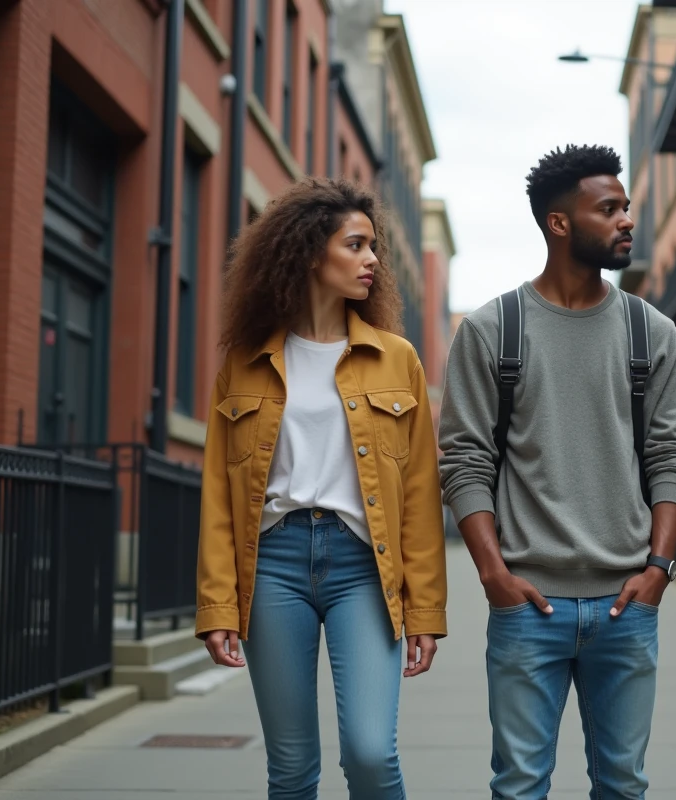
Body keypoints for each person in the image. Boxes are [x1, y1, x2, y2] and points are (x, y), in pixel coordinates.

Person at [438, 145, 676, 799]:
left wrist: (659, 569)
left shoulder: (651, 332)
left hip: (626, 605)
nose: (626, 220)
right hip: (528, 605)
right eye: (608, 209)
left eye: (626, 207)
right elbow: (464, 459)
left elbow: (671, 455)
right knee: (520, 785)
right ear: (559, 223)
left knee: (623, 784)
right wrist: (493, 575)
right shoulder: (492, 330)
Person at [195, 178, 447, 800]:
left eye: (373, 247)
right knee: (290, 767)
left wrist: (425, 610)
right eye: (355, 245)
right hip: (272, 566)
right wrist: (217, 605)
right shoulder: (245, 362)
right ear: (311, 253)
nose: (372, 260)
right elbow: (219, 495)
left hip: (364, 567)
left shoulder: (397, 359)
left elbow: (419, 494)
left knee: (370, 752)